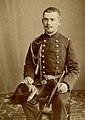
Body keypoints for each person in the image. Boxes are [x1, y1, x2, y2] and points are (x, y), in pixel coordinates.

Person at [22, 7, 80, 120]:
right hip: (41, 83)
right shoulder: (36, 42)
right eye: (46, 19)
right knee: (24, 98)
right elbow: (29, 65)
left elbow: (74, 69)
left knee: (60, 102)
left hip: (59, 84)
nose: (48, 23)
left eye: (52, 19)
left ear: (59, 22)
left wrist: (66, 84)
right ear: (42, 21)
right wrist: (29, 77)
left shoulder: (66, 42)